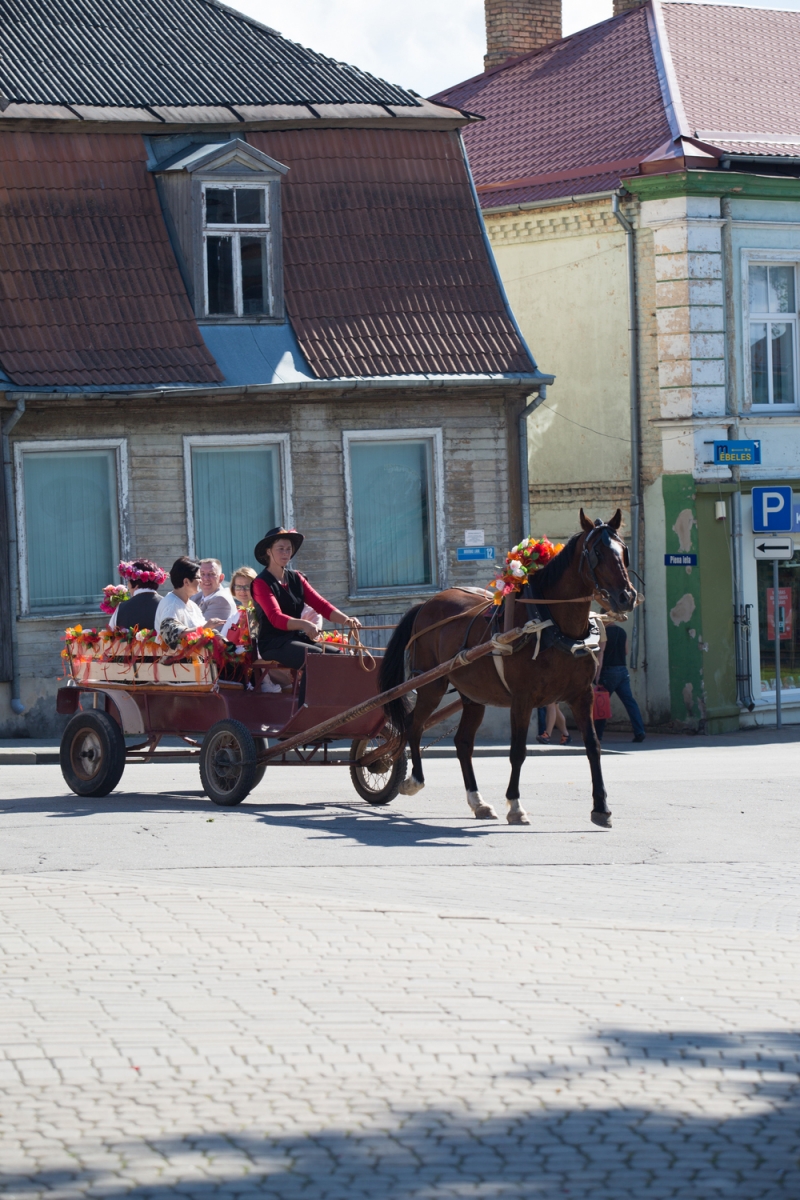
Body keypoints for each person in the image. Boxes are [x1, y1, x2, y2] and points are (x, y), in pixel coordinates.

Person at [251, 527, 361, 669]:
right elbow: (275, 617)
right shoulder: (261, 583)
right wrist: (304, 624)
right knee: (315, 659)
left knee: (340, 656)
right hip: (274, 643)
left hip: (295, 639)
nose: (285, 553)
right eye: (280, 549)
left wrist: (347, 620)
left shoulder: (297, 578)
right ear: (268, 551)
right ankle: (310, 692)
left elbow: (321, 605)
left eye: (288, 549)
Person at [593, 622, 646, 743]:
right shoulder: (622, 631)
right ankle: (639, 731)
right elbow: (626, 651)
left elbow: (600, 654)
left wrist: (597, 675)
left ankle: (598, 735)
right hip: (622, 670)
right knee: (630, 702)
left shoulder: (603, 633)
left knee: (602, 703)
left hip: (608, 671)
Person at [154, 557, 205, 650]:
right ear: (186, 582)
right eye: (199, 577)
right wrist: (205, 628)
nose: (201, 580)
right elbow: (169, 632)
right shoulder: (171, 603)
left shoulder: (192, 605)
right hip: (178, 662)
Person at [109, 559, 167, 630]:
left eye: (128, 582)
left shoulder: (121, 608)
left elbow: (110, 636)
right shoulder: (167, 604)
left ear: (135, 584)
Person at [192, 558, 237, 629]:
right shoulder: (196, 595)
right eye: (202, 574)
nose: (206, 578)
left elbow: (202, 631)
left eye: (211, 574)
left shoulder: (220, 600)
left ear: (221, 578)